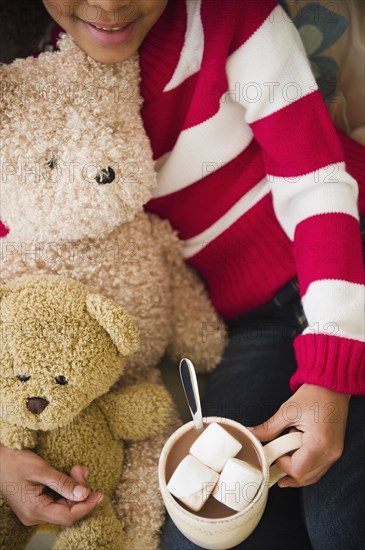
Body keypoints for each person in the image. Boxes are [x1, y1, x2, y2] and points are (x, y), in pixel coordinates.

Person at [0, 1, 364, 548]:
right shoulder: (26, 81)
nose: (109, 3)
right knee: (205, 534)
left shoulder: (232, 17)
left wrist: (332, 373)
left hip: (346, 251)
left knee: (340, 524)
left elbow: (316, 183)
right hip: (250, 322)